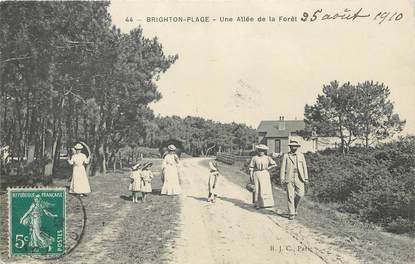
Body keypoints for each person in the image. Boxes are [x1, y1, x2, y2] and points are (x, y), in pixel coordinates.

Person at [280, 140, 309, 220]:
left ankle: (295, 207)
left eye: (295, 146)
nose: (294, 147)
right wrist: (282, 178)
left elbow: (304, 167)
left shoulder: (301, 155)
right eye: (292, 146)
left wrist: (306, 178)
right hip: (289, 177)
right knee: (290, 195)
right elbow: (283, 168)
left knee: (301, 194)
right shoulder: (286, 155)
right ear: (290, 147)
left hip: (299, 177)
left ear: (297, 147)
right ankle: (291, 213)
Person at [249, 144, 277, 209]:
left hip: (265, 174)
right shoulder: (254, 158)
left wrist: (268, 168)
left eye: (262, 150)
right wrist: (251, 175)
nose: (261, 152)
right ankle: (257, 203)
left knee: (265, 188)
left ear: (264, 151)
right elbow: (251, 167)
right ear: (257, 150)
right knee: (257, 188)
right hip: (257, 173)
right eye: (260, 150)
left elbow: (274, 164)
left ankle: (267, 203)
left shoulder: (267, 158)